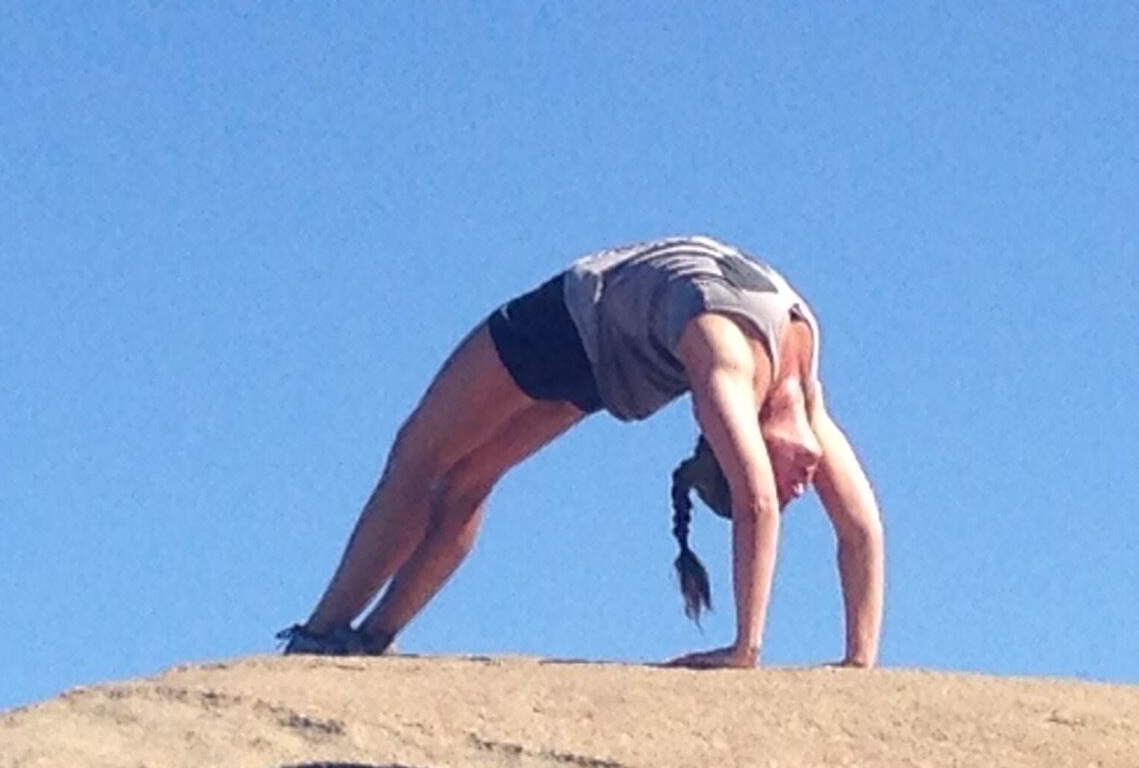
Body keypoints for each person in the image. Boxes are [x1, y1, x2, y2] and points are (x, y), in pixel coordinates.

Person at [279, 235, 885, 668]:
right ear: (745, 448)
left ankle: (371, 636)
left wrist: (860, 662)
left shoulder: (795, 396)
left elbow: (860, 530)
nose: (801, 486)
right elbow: (756, 503)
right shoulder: (728, 364)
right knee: (421, 457)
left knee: (468, 480)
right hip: (566, 320)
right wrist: (745, 647)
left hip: (601, 363)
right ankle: (325, 628)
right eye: (791, 488)